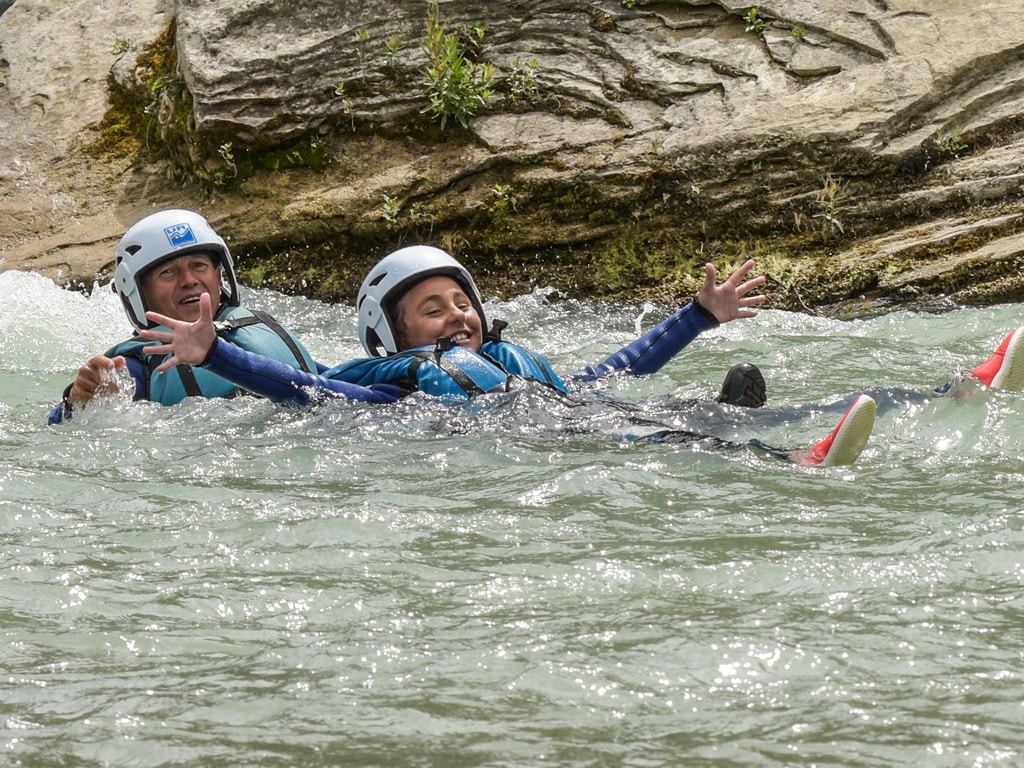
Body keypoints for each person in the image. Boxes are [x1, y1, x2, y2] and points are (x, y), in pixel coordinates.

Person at [140, 245, 878, 467]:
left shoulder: (511, 361)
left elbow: (614, 370)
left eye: (462, 303)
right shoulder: (399, 387)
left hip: (563, 413)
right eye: (432, 310)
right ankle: (795, 462)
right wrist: (221, 357)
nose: (456, 315)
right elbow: (307, 391)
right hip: (522, 441)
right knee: (652, 434)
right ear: (390, 340)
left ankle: (948, 390)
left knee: (665, 407)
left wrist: (697, 317)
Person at [46, 209, 398, 425]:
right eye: (168, 273)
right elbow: (67, 429)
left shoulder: (254, 328)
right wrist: (77, 402)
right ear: (139, 292)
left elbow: (329, 386)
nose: (189, 279)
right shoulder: (140, 364)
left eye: (199, 265)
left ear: (220, 275)